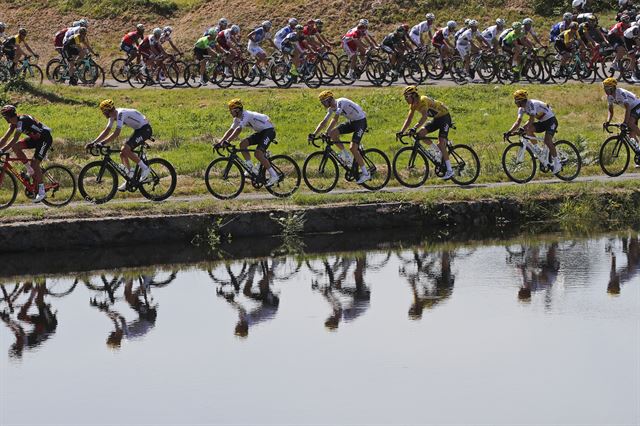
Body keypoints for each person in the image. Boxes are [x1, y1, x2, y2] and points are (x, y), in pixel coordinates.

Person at [88, 100, 152, 191]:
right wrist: (94, 142)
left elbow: (116, 133)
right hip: (139, 130)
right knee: (122, 153)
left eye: (103, 111)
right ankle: (130, 177)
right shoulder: (112, 116)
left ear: (108, 110)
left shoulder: (120, 114)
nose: (103, 113)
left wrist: (102, 143)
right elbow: (107, 131)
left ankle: (145, 168)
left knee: (125, 149)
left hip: (145, 130)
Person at [309, 91, 371, 184]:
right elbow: (324, 122)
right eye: (322, 103)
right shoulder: (331, 108)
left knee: (353, 148)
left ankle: (366, 174)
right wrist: (314, 134)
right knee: (333, 134)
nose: (323, 104)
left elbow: (335, 119)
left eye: (324, 102)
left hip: (360, 122)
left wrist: (326, 132)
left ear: (330, 99)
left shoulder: (340, 102)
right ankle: (346, 156)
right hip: (352, 121)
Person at [217, 99, 280, 187]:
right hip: (261, 132)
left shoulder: (246, 115)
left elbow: (238, 130)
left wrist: (228, 141)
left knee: (258, 154)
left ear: (237, 110)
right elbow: (231, 130)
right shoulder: (237, 118)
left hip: (269, 131)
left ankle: (274, 175)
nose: (230, 112)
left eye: (231, 110)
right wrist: (221, 142)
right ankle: (250, 167)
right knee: (243, 144)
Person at [397, 86, 454, 179]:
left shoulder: (422, 101)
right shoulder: (413, 105)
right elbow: (409, 119)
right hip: (436, 119)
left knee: (441, 143)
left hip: (444, 117)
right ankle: (437, 151)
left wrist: (414, 128)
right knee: (420, 135)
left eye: (407, 97)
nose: (405, 99)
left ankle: (450, 170)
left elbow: (424, 117)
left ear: (413, 95)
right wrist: (401, 131)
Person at [0, 105, 52, 202]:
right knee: (16, 147)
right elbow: (4, 139)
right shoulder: (14, 123)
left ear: (8, 117)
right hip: (35, 139)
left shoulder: (22, 121)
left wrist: (2, 151)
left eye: (5, 117)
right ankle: (30, 170)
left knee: (35, 163)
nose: (5, 119)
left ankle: (41, 192)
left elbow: (14, 138)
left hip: (45, 139)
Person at [505, 90, 561, 174]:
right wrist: (509, 132)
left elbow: (531, 119)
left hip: (551, 121)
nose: (515, 102)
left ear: (520, 101)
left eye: (516, 101)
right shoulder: (521, 109)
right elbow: (518, 122)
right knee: (528, 130)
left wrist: (523, 128)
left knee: (547, 141)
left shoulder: (531, 104)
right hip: (542, 121)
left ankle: (557, 163)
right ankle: (537, 150)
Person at [603, 77, 640, 147]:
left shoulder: (620, 93)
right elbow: (611, 111)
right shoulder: (609, 97)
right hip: (632, 109)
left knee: (629, 123)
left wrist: (625, 123)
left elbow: (628, 108)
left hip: (637, 105)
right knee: (631, 136)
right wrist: (608, 121)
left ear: (613, 88)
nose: (605, 90)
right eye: (604, 88)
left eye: (607, 88)